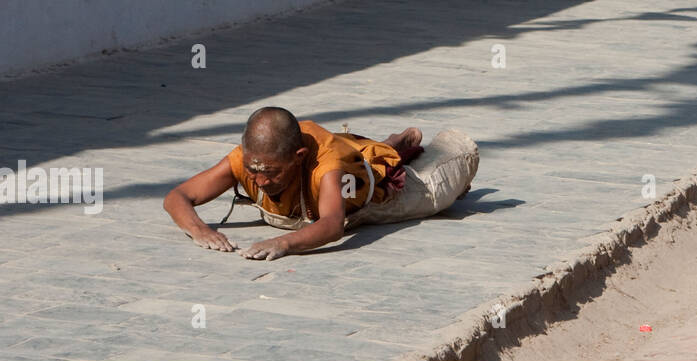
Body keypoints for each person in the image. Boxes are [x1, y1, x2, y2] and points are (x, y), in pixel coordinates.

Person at [163, 107, 479, 260]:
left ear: (299, 157)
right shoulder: (247, 159)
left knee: (452, 169)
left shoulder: (327, 168)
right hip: (347, 160)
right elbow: (178, 196)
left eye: (271, 173)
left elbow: (332, 225)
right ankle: (390, 145)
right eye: (252, 170)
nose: (259, 181)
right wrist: (200, 230)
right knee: (356, 155)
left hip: (374, 198)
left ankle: (404, 151)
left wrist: (283, 244)